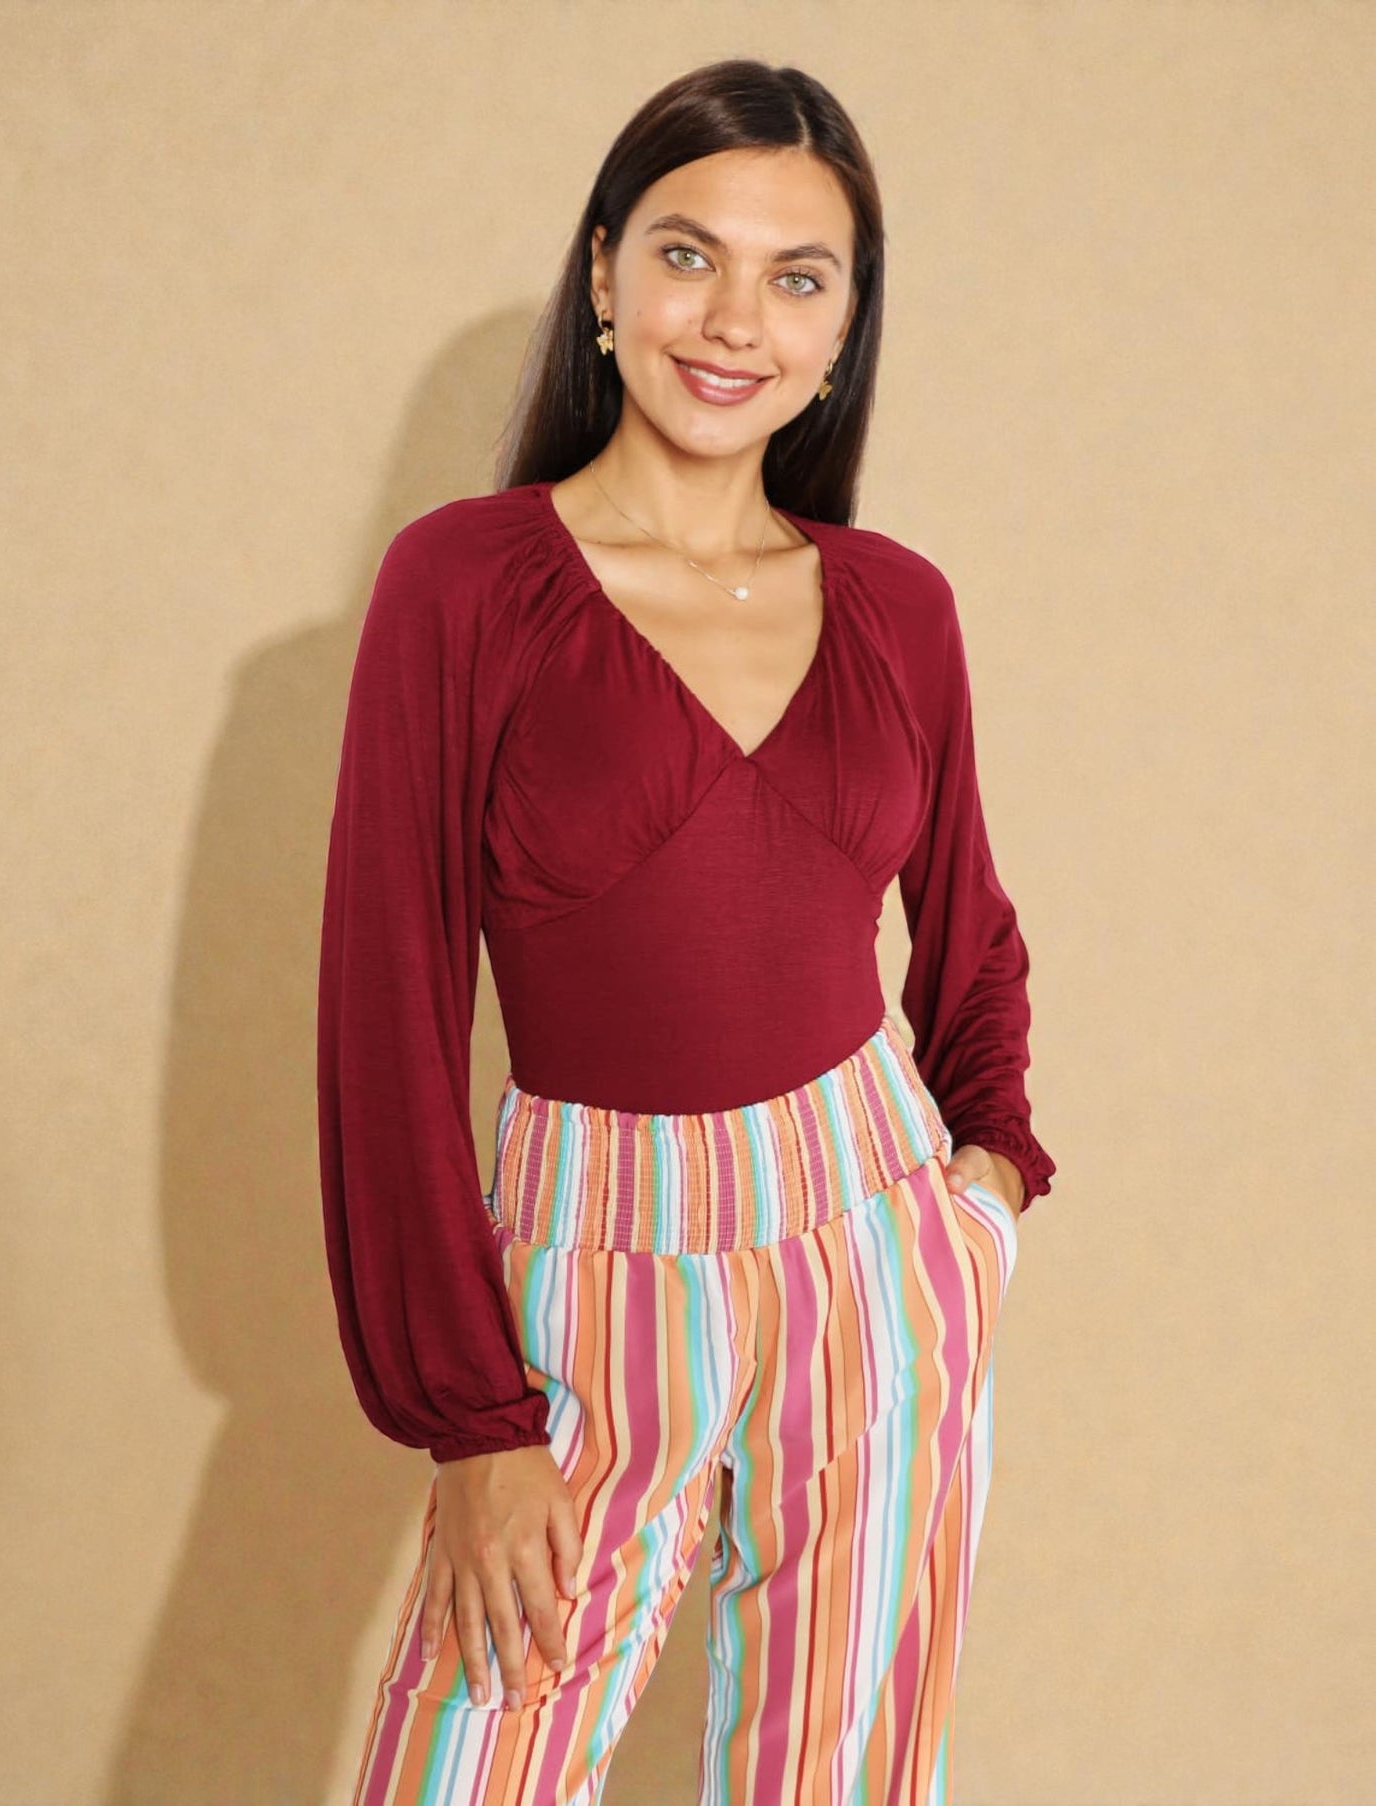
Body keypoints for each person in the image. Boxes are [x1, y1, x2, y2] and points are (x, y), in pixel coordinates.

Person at [316, 55, 1056, 1806]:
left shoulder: (893, 607)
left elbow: (967, 933)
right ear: (599, 274)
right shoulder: (467, 583)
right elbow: (386, 1006)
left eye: (799, 277)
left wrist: (981, 1207)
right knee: (460, 1770)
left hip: (877, 1254)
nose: (735, 319)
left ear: (845, 325)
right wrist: (475, 1417)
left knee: (843, 1788)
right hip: (589, 1270)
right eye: (686, 253)